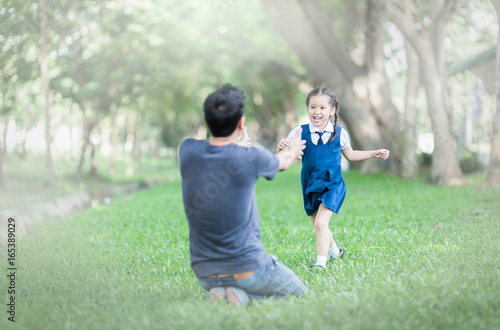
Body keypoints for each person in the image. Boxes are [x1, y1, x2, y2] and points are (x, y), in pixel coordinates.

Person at [179, 83, 308, 306]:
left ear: (206, 119)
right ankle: (244, 298)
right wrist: (294, 148)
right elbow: (285, 161)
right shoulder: (251, 158)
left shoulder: (187, 150)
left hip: (204, 273)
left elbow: (221, 154)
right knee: (300, 295)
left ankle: (222, 292)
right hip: (248, 270)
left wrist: (239, 147)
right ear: (241, 122)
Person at [277, 84, 390, 269]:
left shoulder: (339, 133)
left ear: (332, 110)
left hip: (333, 184)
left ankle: (320, 264)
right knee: (318, 224)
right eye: (313, 107)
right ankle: (336, 252)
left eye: (322, 107)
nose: (317, 111)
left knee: (321, 223)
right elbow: (285, 156)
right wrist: (281, 147)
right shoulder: (299, 132)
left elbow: (351, 155)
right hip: (310, 184)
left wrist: (374, 153)